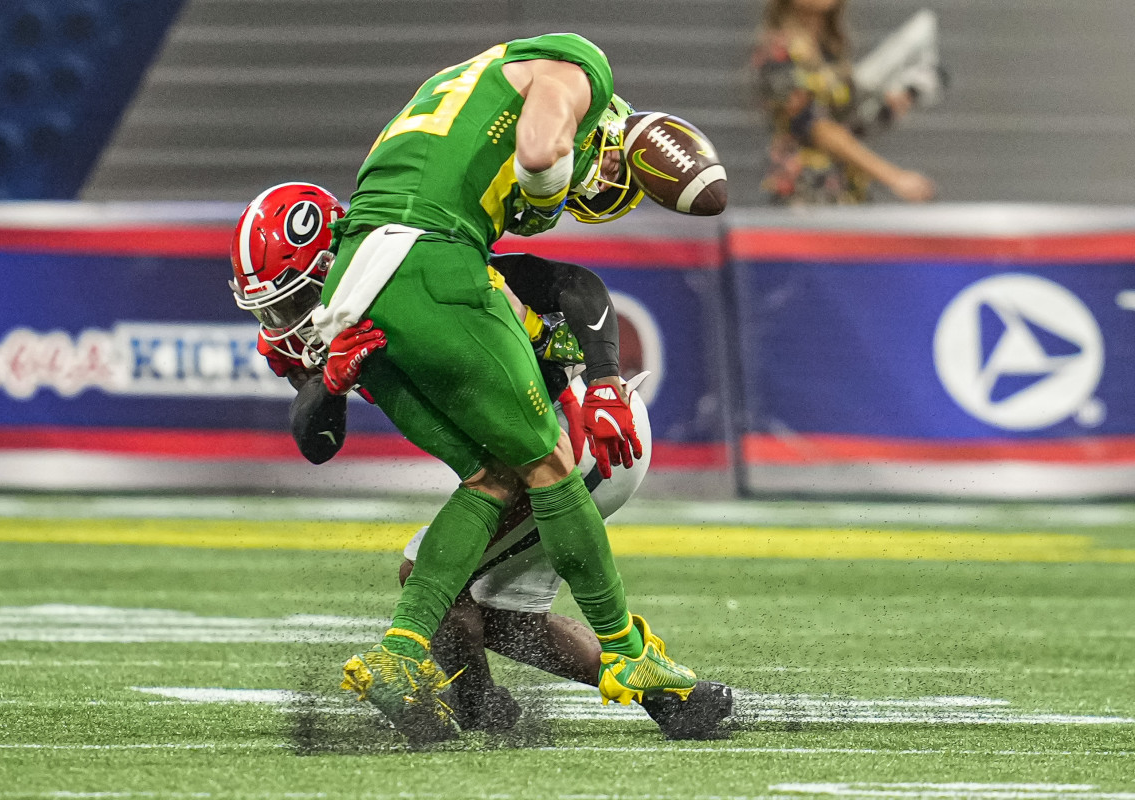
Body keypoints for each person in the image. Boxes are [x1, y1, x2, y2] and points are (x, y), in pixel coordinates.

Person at [230, 182, 734, 740]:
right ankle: (667, 697)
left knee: (432, 576)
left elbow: (576, 285)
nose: (284, 320)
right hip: (529, 452)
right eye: (274, 306)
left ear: (336, 264)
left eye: (295, 300)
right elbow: (316, 442)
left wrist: (605, 381)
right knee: (495, 614)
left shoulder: (426, 278)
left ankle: (487, 701)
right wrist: (329, 382)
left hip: (575, 438)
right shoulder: (331, 325)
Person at [308, 33, 699, 742]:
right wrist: (546, 191)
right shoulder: (581, 69)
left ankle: (399, 656)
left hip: (357, 277)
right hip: (430, 259)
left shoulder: (462, 82)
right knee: (549, 464)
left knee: (490, 478)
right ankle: (627, 652)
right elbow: (543, 154)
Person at [753, 0, 936, 204]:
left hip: (844, 191)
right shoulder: (779, 53)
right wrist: (893, 177)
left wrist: (891, 106)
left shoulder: (829, 51)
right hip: (805, 194)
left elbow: (849, 126)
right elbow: (816, 128)